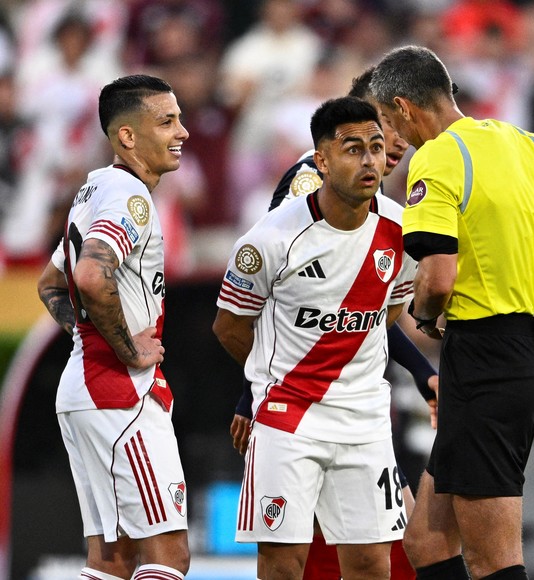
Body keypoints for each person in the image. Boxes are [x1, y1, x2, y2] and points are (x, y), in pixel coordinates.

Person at [369, 45, 534, 580]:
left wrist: (425, 314)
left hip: (485, 361)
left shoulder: (437, 156)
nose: (391, 136)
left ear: (404, 108)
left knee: (492, 559)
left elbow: (438, 278)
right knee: (428, 541)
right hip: (525, 356)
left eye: (388, 120)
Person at [228, 68, 437, 580]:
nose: (398, 142)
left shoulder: (390, 216)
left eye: (393, 134)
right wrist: (253, 394)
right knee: (300, 553)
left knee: (378, 548)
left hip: (359, 405)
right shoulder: (309, 190)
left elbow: (370, 312)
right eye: (387, 124)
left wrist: (419, 371)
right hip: (295, 405)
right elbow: (276, 304)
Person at [35, 74, 190, 580]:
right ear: (127, 136)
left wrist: (89, 338)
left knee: (111, 559)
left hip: (86, 386)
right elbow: (88, 275)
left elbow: (51, 283)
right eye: (167, 121)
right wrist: (126, 349)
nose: (182, 132)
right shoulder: (130, 196)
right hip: (119, 393)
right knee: (168, 555)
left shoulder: (95, 187)